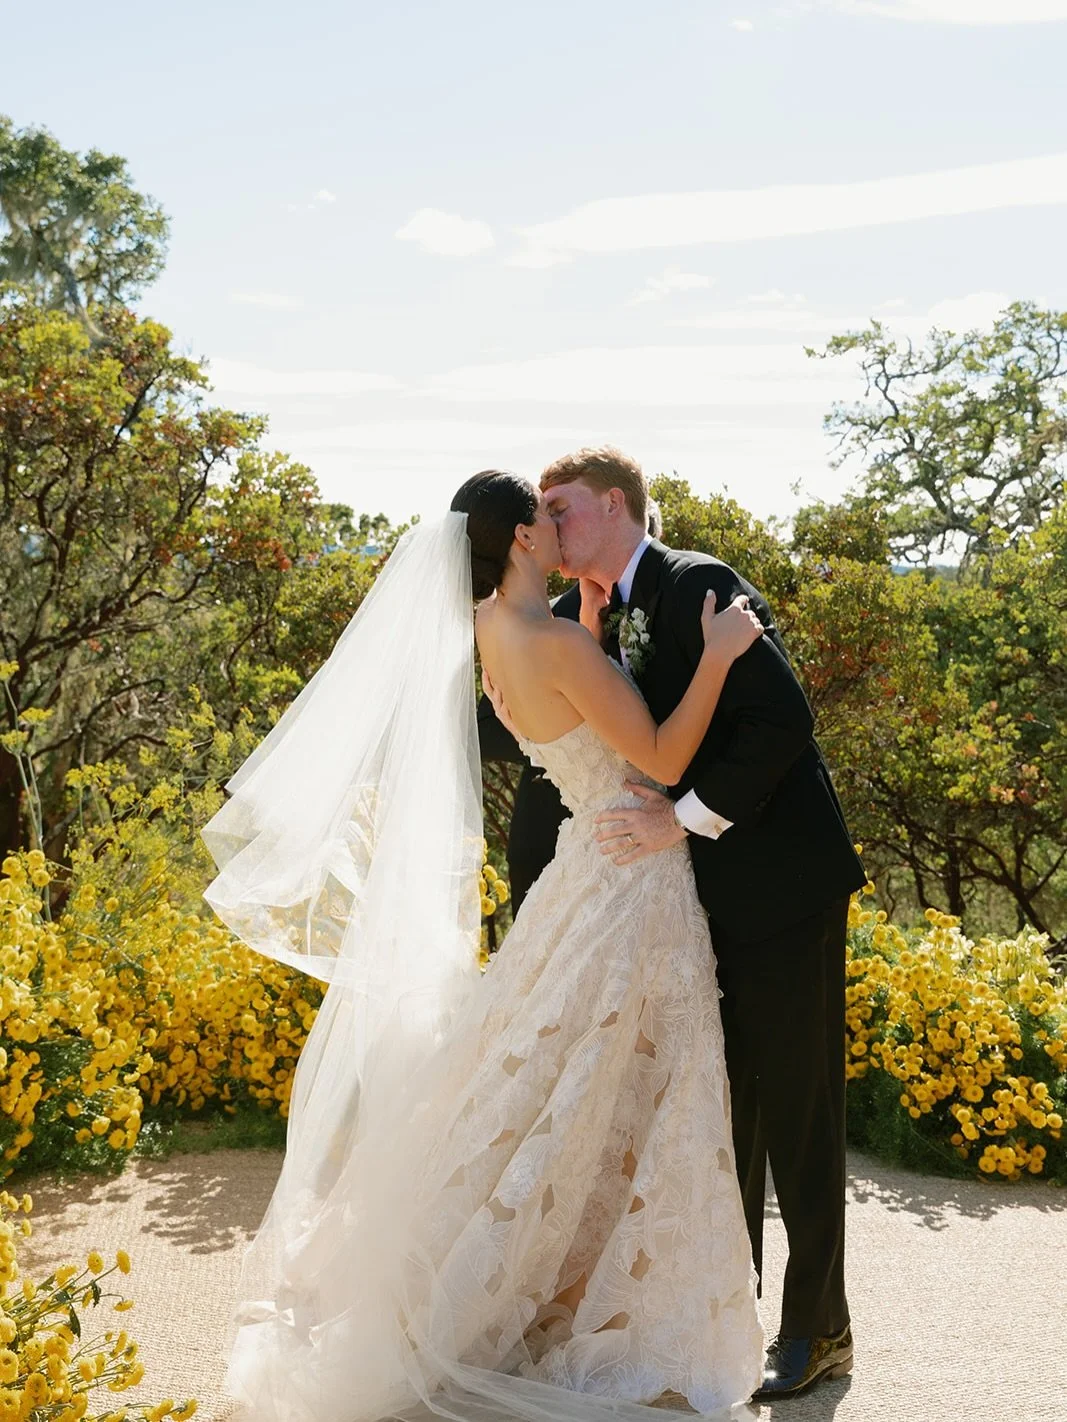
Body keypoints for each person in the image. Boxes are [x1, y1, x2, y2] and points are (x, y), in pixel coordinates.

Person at [201, 471, 767, 1422]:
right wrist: (717, 655)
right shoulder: (546, 638)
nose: (557, 530)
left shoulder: (494, 633)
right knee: (620, 1082)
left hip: (582, 862)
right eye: (543, 520)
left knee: (553, 1079)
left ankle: (540, 1278)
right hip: (630, 875)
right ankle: (579, 1299)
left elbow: (570, 717)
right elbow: (661, 760)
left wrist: (587, 626)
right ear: (514, 541)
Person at [483, 446, 866, 1400]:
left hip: (778, 893)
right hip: (687, 905)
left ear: (615, 506)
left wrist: (677, 820)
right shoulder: (591, 615)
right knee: (718, 1111)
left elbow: (783, 722)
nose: (549, 527)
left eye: (562, 510)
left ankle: (818, 1330)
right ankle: (721, 1318)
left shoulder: (701, 583)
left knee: (798, 1112)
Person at [478, 501, 663, 912]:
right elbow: (486, 727)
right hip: (550, 838)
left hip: (641, 851)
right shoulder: (547, 620)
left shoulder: (666, 605)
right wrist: (552, 746)